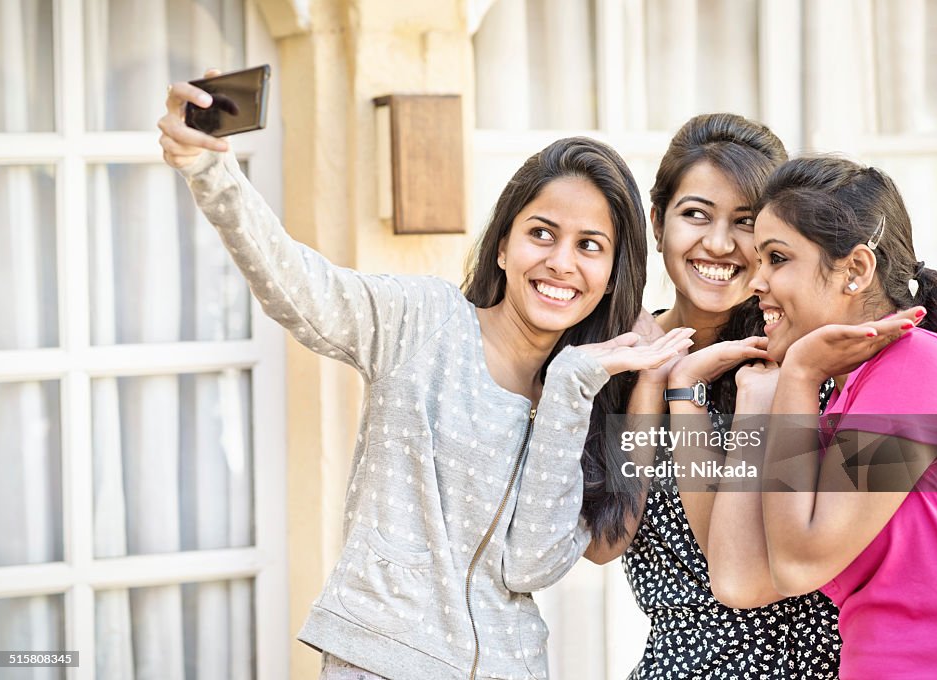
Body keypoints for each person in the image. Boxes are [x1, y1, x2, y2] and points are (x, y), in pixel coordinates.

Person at [158, 76, 694, 680]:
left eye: (589, 245)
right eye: (541, 233)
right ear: (501, 246)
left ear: (610, 273)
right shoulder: (426, 323)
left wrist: (579, 382)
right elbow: (300, 288)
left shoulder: (587, 389)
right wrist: (210, 174)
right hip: (381, 661)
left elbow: (532, 566)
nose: (560, 262)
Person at [728, 155, 937, 678]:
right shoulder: (851, 396)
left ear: (856, 270)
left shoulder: (921, 369)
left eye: (776, 258)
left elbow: (798, 563)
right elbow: (742, 579)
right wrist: (755, 401)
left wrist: (797, 377)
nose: (756, 281)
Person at [583, 114, 840, 679]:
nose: (719, 244)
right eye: (696, 214)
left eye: (745, 223)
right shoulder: (615, 363)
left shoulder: (807, 362)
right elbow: (604, 542)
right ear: (657, 222)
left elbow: (751, 559)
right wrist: (654, 379)